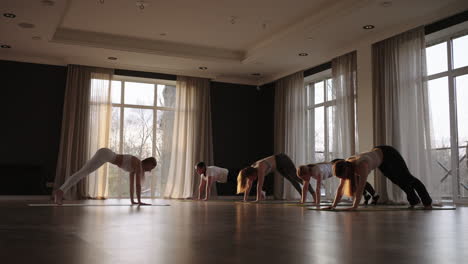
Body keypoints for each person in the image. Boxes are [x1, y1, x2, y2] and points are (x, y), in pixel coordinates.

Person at [326, 145, 432, 210]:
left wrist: (354, 206)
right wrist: (333, 205)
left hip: (389, 153)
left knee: (407, 178)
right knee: (397, 180)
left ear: (347, 170)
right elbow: (340, 188)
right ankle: (414, 200)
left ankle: (427, 202)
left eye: (345, 176)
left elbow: (361, 188)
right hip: (380, 159)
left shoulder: (362, 165)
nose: (345, 179)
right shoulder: (345, 165)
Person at [54, 148, 157, 205]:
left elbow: (132, 186)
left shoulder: (136, 167)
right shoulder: (138, 165)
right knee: (82, 173)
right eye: (151, 167)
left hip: (105, 154)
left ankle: (60, 191)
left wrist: (133, 201)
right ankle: (60, 192)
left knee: (82, 173)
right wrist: (139, 202)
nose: (150, 170)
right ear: (148, 163)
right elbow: (137, 186)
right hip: (105, 155)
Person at [237, 153, 316, 202]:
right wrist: (245, 199)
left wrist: (258, 200)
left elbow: (260, 184)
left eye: (251, 178)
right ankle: (303, 197)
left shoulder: (260, 167)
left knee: (296, 178)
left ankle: (313, 194)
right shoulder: (251, 170)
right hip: (278, 166)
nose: (251, 180)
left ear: (253, 173)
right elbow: (248, 186)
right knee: (292, 180)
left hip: (282, 159)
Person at [297, 161, 379, 206]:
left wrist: (317, 203)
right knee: (355, 181)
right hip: (334, 165)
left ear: (307, 173)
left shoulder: (315, 171)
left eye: (304, 178)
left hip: (337, 165)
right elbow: (305, 188)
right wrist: (302, 201)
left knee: (357, 180)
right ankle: (367, 195)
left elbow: (318, 189)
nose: (304, 180)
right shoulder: (308, 171)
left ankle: (374, 195)